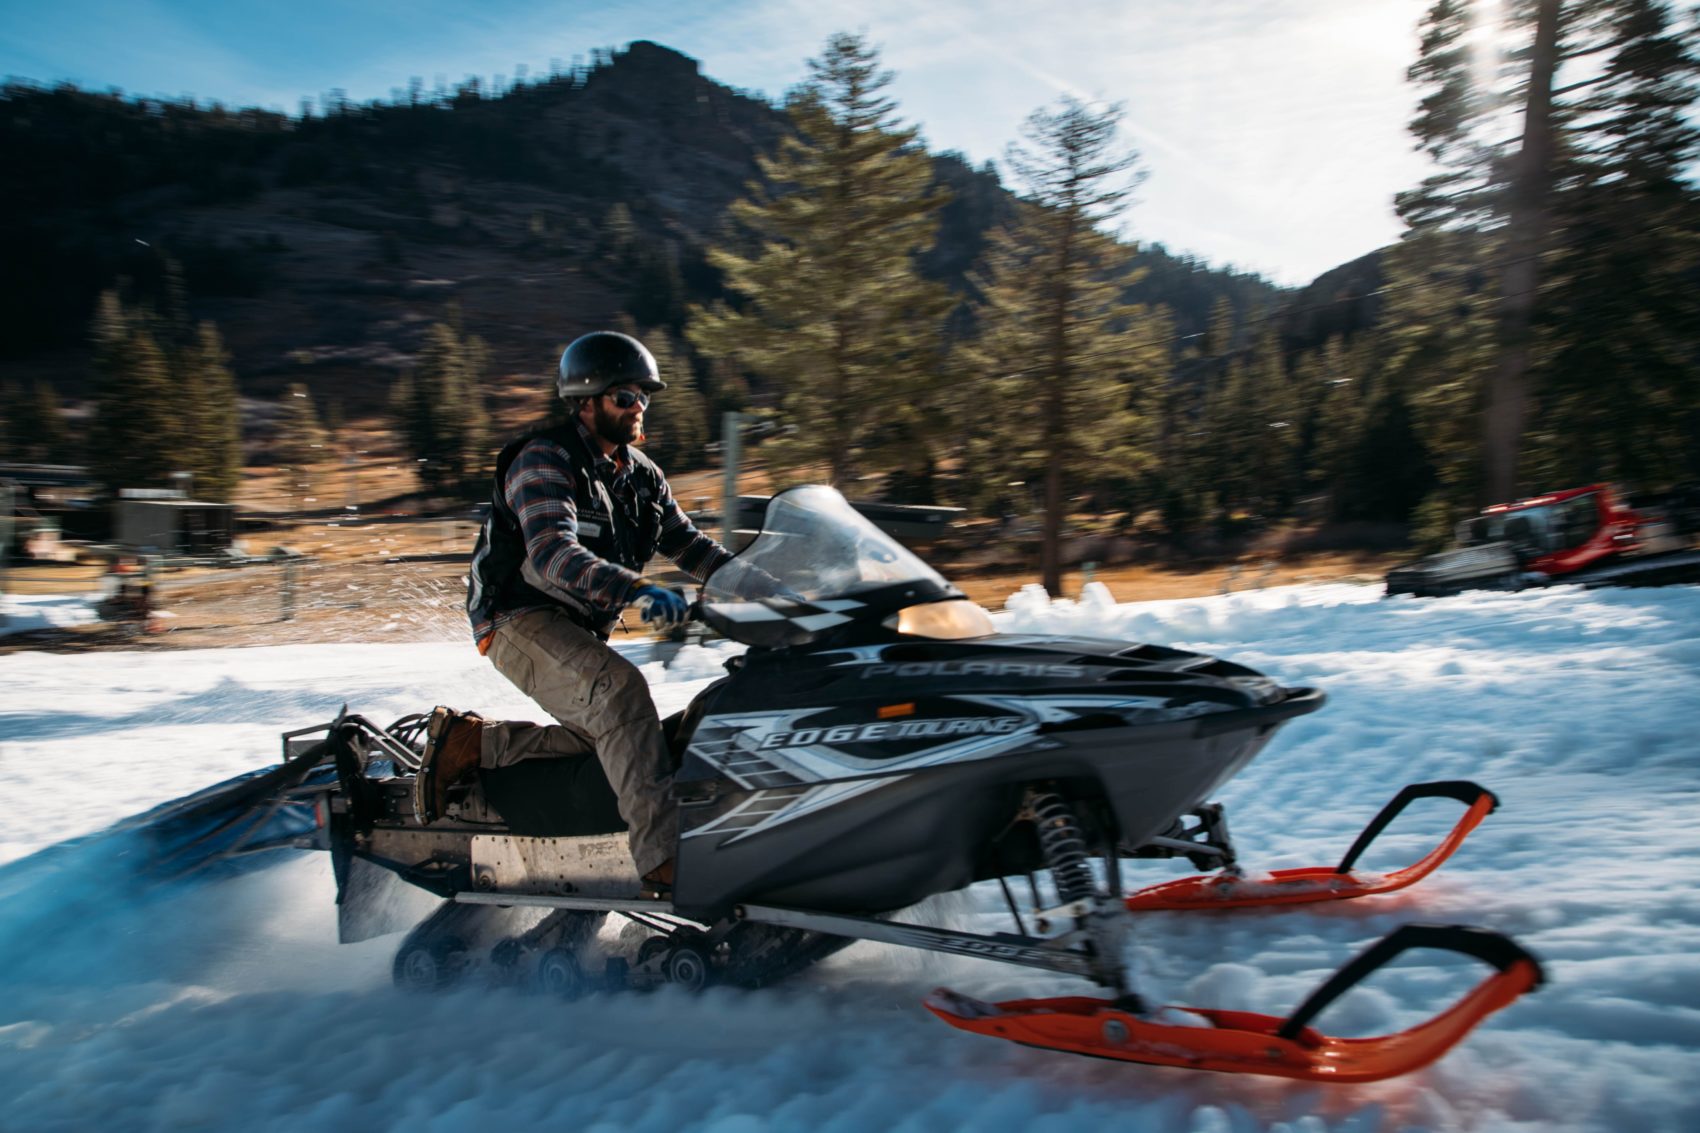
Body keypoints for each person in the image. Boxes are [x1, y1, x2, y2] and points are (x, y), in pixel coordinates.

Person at [415, 330, 736, 897]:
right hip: (516, 618)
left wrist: (766, 586)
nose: (640, 407)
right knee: (619, 694)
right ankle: (664, 865)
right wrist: (640, 594)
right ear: (586, 401)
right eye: (625, 396)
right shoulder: (544, 460)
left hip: (573, 627)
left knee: (620, 742)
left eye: (645, 395)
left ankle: (476, 745)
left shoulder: (642, 477)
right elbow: (554, 555)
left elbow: (693, 548)